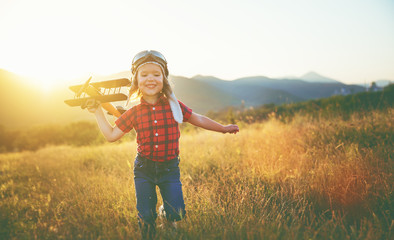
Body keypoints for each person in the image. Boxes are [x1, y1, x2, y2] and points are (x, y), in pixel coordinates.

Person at [87, 50, 239, 238]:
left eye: (156, 74)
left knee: (177, 213)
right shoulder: (134, 112)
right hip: (144, 168)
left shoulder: (175, 106)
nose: (150, 79)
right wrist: (97, 112)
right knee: (146, 216)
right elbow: (111, 135)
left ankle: (166, 213)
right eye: (144, 75)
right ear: (136, 81)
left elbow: (197, 118)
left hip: (169, 168)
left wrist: (223, 128)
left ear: (164, 79)